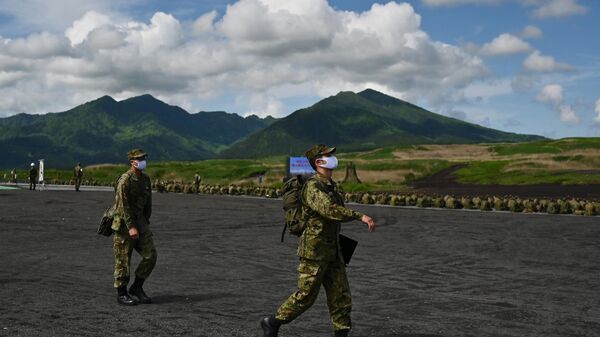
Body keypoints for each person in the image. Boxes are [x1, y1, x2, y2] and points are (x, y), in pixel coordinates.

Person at [261, 144, 376, 337]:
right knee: (306, 296)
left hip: (334, 250)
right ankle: (272, 322)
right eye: (328, 155)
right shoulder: (313, 186)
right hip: (314, 251)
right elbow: (328, 209)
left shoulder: (332, 185)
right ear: (318, 161)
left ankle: (341, 334)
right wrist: (359, 216)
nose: (332, 158)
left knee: (341, 297)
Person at [111, 149, 157, 306]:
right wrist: (131, 226)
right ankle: (122, 293)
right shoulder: (125, 180)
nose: (143, 160)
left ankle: (137, 287)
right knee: (123, 259)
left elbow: (148, 204)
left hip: (141, 223)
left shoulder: (145, 179)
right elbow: (123, 206)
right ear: (132, 162)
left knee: (150, 255)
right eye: (139, 158)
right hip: (125, 225)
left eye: (144, 157)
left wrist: (145, 223)